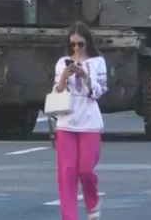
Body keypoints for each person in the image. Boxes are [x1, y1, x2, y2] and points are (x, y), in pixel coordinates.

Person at [53, 22, 108, 220]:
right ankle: (69, 216)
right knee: (67, 172)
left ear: (88, 43)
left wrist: (84, 76)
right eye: (73, 44)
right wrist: (62, 81)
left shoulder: (97, 62)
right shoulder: (62, 62)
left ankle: (93, 203)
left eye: (80, 44)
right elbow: (56, 92)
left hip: (89, 121)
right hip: (66, 121)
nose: (76, 48)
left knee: (85, 170)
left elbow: (100, 91)